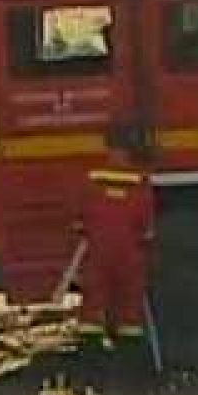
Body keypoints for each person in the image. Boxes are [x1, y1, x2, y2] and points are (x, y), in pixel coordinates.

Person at [72, 150, 155, 351]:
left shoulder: (92, 179)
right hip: (128, 249)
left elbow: (80, 218)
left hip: (98, 247)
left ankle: (90, 342)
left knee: (94, 291)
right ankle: (128, 343)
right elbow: (146, 228)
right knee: (129, 293)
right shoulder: (140, 183)